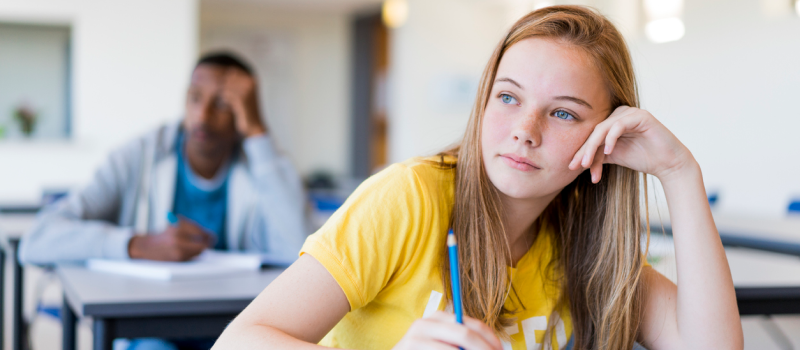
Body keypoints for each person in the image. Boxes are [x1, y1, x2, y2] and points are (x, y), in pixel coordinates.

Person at [212, 6, 743, 350]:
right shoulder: (409, 198)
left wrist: (679, 172)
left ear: (605, 134)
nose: (524, 131)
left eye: (563, 113)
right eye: (508, 98)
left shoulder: (589, 237)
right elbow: (240, 341)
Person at [19, 52, 307, 265]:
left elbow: (300, 254)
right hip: (149, 325)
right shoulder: (138, 156)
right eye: (195, 98)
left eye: (221, 104)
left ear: (244, 114)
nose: (202, 116)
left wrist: (257, 132)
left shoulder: (260, 164)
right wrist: (137, 245)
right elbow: (37, 240)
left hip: (229, 322)